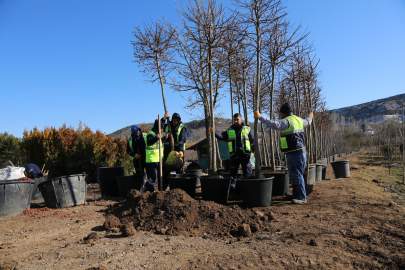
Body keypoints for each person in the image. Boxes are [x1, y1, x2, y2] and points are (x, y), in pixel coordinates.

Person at [254, 102, 313, 204]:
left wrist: (260, 117)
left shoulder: (286, 122)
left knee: (297, 174)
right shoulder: (299, 120)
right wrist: (310, 116)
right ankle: (296, 194)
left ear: (283, 112)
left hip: (295, 152)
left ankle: (301, 197)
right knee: (295, 174)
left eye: (280, 112)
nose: (279, 114)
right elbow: (308, 121)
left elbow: (273, 124)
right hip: (298, 151)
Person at [210, 113, 254, 198]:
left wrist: (255, 151)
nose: (236, 121)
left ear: (241, 120)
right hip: (234, 156)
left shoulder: (248, 129)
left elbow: (252, 141)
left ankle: (247, 193)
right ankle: (233, 193)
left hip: (245, 155)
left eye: (237, 119)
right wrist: (214, 131)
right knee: (233, 175)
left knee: (247, 174)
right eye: (234, 119)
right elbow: (221, 136)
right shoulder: (229, 130)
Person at [142, 118, 169, 193]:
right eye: (162, 128)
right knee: (153, 178)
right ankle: (145, 190)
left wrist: (165, 138)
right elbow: (149, 142)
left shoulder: (157, 133)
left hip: (157, 159)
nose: (163, 130)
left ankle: (150, 192)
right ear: (158, 128)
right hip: (152, 159)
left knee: (156, 176)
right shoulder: (151, 134)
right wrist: (156, 138)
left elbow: (159, 144)